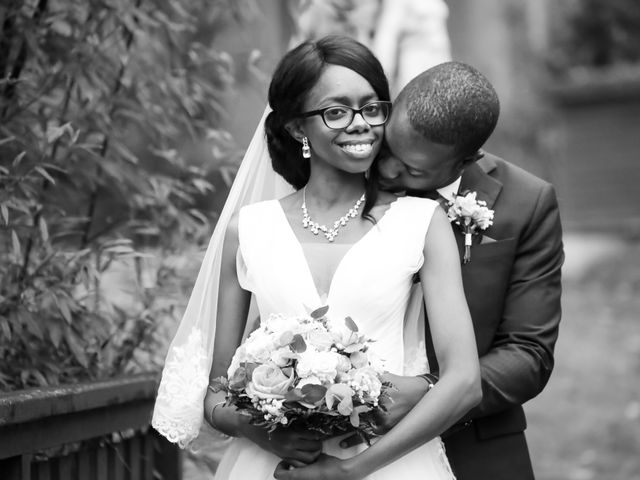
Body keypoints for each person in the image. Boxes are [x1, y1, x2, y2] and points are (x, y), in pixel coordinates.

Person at [152, 36, 481, 480]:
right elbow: (215, 396)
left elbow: (464, 382)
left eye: (371, 107)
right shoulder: (248, 231)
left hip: (389, 465)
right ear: (295, 127)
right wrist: (258, 430)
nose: (360, 123)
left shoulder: (422, 222)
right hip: (271, 467)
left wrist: (350, 471)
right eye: (336, 111)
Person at [371, 61, 564, 480]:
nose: (386, 171)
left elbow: (528, 354)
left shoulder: (526, 203)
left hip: (473, 449)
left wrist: (431, 392)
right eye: (387, 151)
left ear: (464, 161)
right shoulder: (350, 172)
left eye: (413, 170)